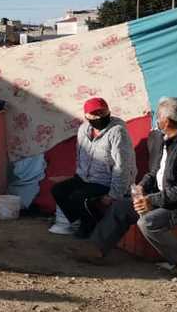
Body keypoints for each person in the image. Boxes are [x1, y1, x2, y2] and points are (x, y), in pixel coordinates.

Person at [72, 97, 177, 277]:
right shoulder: (163, 136)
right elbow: (155, 171)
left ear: (166, 121)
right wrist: (142, 187)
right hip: (168, 196)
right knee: (121, 206)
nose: (156, 120)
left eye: (158, 117)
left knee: (148, 222)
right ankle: (96, 249)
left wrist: (152, 201)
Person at [49, 98, 137, 237]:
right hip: (85, 177)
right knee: (58, 190)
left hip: (105, 180)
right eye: (94, 114)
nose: (99, 117)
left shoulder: (117, 132)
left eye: (103, 112)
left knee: (78, 197)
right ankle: (82, 222)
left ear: (108, 111)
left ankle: (94, 226)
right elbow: (80, 155)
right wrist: (77, 176)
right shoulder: (84, 129)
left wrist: (114, 194)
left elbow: (123, 166)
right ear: (87, 116)